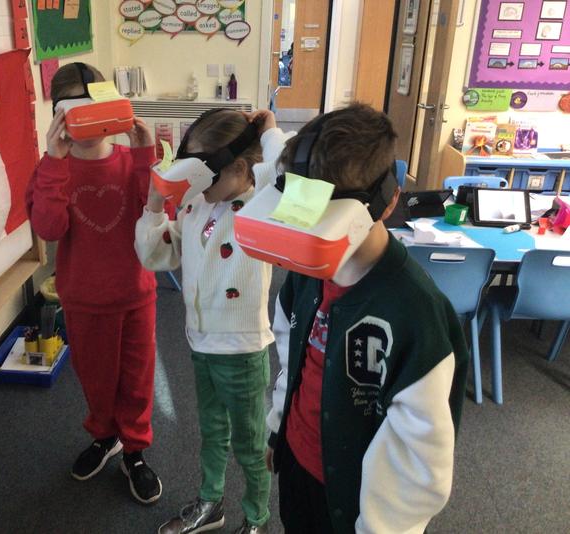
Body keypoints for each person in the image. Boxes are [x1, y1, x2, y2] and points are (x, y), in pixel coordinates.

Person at [266, 103, 469, 533]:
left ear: (389, 200)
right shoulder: (305, 275)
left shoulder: (416, 314)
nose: (313, 230)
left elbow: (419, 462)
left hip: (358, 502)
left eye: (329, 215)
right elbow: (291, 356)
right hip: (298, 466)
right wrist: (277, 429)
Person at [135, 109, 293, 534]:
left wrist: (270, 132)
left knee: (250, 444)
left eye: (205, 176)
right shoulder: (196, 205)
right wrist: (154, 204)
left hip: (242, 352)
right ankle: (211, 501)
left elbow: (294, 180)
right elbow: (155, 255)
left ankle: (257, 519)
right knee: (211, 433)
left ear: (240, 168)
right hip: (201, 345)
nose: (198, 187)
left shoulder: (263, 205)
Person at [25, 62, 162, 505]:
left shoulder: (129, 160)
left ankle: (135, 452)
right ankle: (105, 436)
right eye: (74, 114)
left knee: (137, 381)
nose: (87, 126)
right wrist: (54, 161)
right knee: (96, 380)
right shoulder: (52, 169)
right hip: (84, 299)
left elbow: (156, 214)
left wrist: (144, 155)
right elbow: (49, 228)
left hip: (135, 295)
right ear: (59, 117)